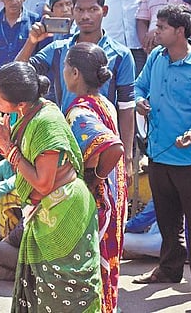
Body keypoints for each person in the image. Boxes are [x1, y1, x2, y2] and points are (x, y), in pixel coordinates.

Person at [0, 62, 102, 312]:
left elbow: (43, 182)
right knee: (42, 287)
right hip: (44, 212)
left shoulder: (46, 122)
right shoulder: (26, 114)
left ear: (20, 103)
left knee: (68, 290)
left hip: (64, 209)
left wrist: (7, 147)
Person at [132, 5, 191, 296]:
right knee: (167, 219)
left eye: (162, 27)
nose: (156, 31)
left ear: (180, 31)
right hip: (157, 153)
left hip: (189, 158)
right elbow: (139, 86)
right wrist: (141, 101)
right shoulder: (156, 56)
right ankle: (168, 270)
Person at [16, 0, 136, 182]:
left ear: (104, 10)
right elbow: (18, 75)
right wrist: (32, 41)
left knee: (103, 208)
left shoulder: (121, 55)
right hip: (65, 144)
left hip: (105, 151)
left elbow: (126, 107)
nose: (85, 16)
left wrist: (127, 157)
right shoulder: (58, 49)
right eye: (80, 10)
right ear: (73, 11)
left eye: (92, 9)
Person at [64, 42, 127, 312]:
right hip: (115, 198)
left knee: (93, 270)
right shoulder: (105, 104)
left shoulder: (80, 113)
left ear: (75, 73)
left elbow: (113, 146)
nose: (64, 71)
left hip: (98, 201)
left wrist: (97, 177)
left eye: (67, 67)